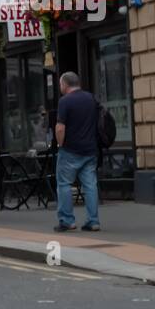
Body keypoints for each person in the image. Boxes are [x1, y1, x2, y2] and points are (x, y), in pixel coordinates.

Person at [54, 71, 100, 233]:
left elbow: (60, 128)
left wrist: (61, 145)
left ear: (65, 84)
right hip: (90, 149)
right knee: (90, 185)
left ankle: (67, 221)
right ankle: (93, 221)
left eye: (60, 84)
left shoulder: (65, 101)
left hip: (70, 150)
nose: (60, 87)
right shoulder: (91, 98)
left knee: (64, 184)